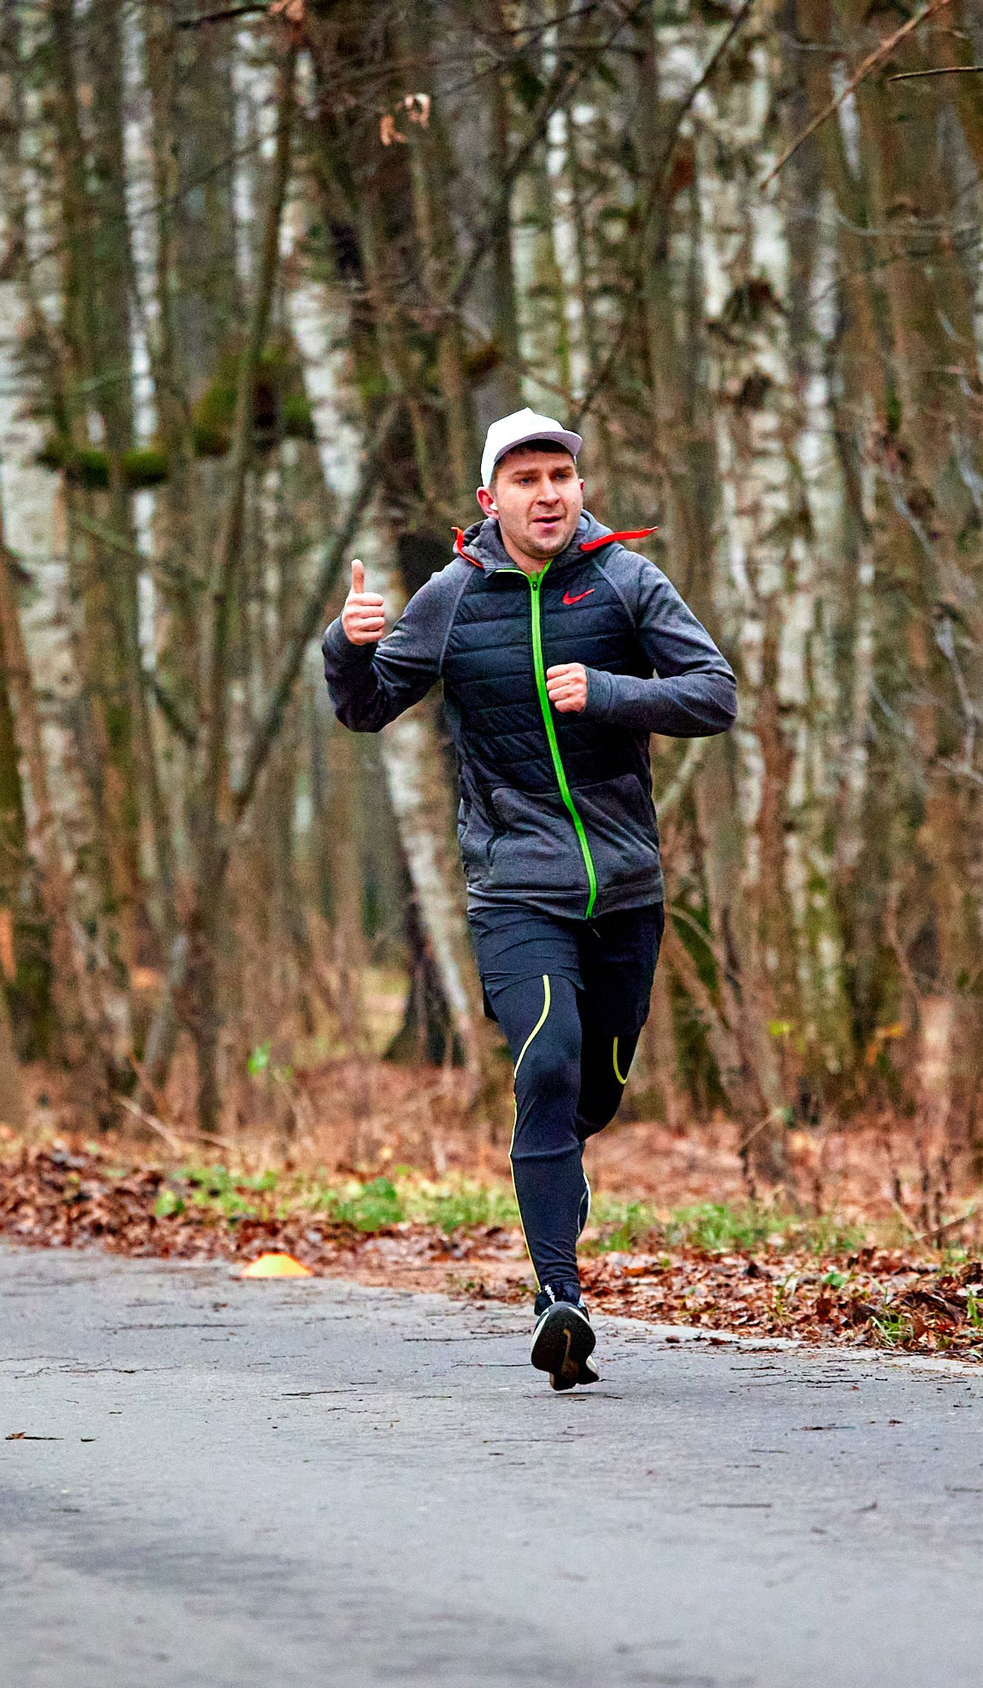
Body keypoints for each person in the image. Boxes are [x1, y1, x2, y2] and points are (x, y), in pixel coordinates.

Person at [323, 408, 738, 1390]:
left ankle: (554, 1185)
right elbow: (364, 706)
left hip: (626, 892)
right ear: (489, 500)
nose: (547, 494)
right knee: (545, 1062)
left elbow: (712, 694)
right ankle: (560, 1300)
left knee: (588, 1094)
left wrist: (609, 690)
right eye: (526, 480)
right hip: (516, 891)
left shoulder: (626, 580)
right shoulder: (453, 597)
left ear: (578, 487)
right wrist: (347, 645)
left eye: (560, 476)